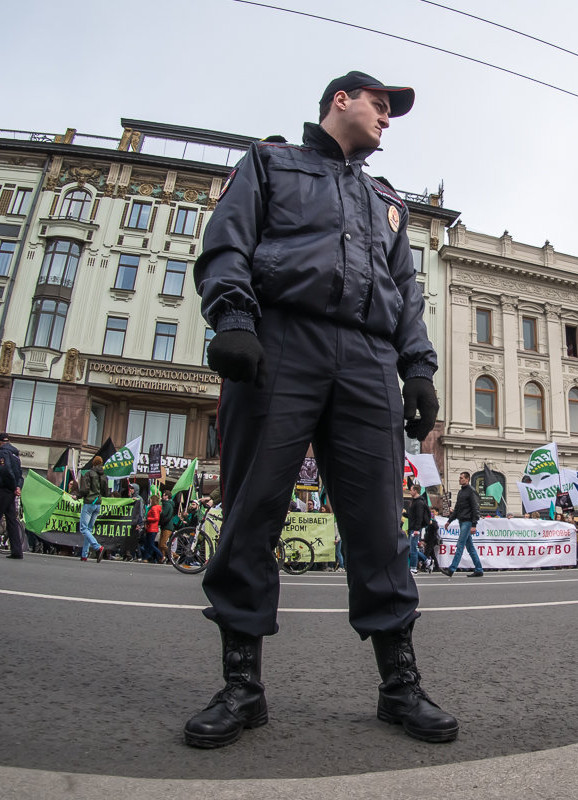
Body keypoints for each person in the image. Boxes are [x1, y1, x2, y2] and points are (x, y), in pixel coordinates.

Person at [186, 70, 454, 748]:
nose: (388, 118)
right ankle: (242, 688)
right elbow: (228, 242)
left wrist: (416, 371)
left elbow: (405, 291)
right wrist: (235, 320)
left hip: (366, 362)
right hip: (282, 343)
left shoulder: (387, 202)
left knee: (377, 528)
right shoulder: (272, 163)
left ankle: (400, 686)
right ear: (342, 98)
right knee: (253, 512)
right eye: (380, 104)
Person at [444, 471, 482, 578]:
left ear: (467, 479)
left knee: (460, 544)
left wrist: (474, 524)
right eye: (459, 478)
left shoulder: (471, 491)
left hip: (468, 521)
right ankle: (479, 569)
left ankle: (452, 569)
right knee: (470, 547)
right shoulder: (461, 492)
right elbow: (456, 509)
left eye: (461, 478)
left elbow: (475, 508)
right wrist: (449, 521)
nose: (459, 479)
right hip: (462, 521)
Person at [74, 456, 108, 562]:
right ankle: (84, 555)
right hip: (98, 503)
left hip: (89, 502)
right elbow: (105, 492)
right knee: (89, 529)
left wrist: (77, 496)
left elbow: (85, 489)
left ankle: (98, 547)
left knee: (83, 528)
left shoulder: (89, 473)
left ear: (93, 463)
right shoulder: (104, 476)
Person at [407, 484, 432, 574]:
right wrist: (405, 514)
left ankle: (413, 568)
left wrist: (417, 529)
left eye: (411, 490)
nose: (410, 491)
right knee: (411, 548)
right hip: (412, 527)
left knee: (413, 549)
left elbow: (419, 517)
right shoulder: (414, 501)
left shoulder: (419, 502)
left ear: (416, 491)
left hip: (415, 528)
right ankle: (426, 560)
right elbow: (412, 516)